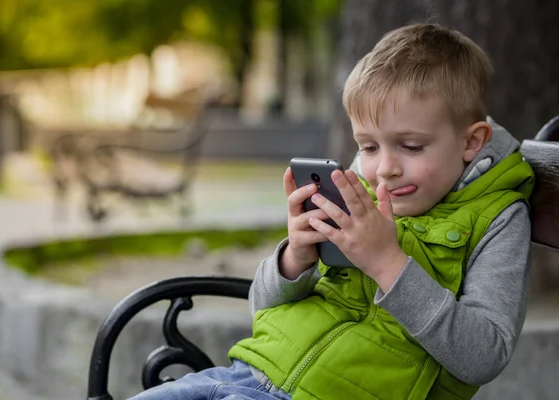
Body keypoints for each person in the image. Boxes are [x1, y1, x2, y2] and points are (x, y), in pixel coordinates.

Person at [129, 23, 535, 400]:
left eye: (411, 146)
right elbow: (261, 309)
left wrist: (388, 264)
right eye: (369, 146)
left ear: (471, 143)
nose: (385, 168)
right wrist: (296, 258)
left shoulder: (499, 217)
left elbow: (484, 354)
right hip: (246, 373)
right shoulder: (359, 189)